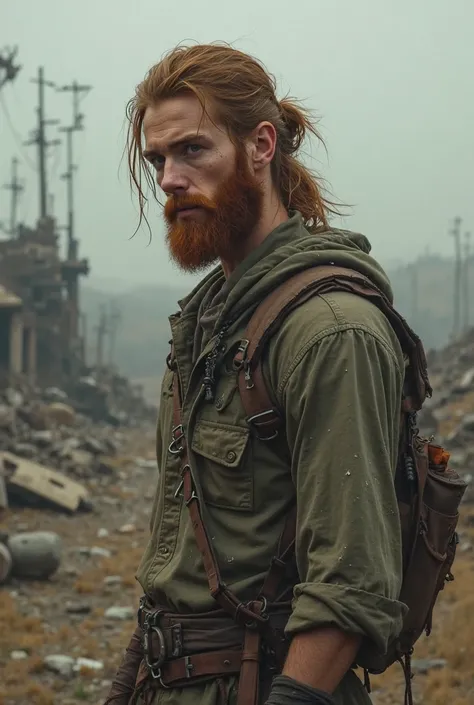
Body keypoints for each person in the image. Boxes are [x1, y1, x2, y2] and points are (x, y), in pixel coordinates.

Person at [105, 43, 407, 705]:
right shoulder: (208, 325)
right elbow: (182, 558)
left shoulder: (330, 329)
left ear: (260, 145)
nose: (168, 180)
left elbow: (350, 579)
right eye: (158, 159)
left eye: (191, 150)